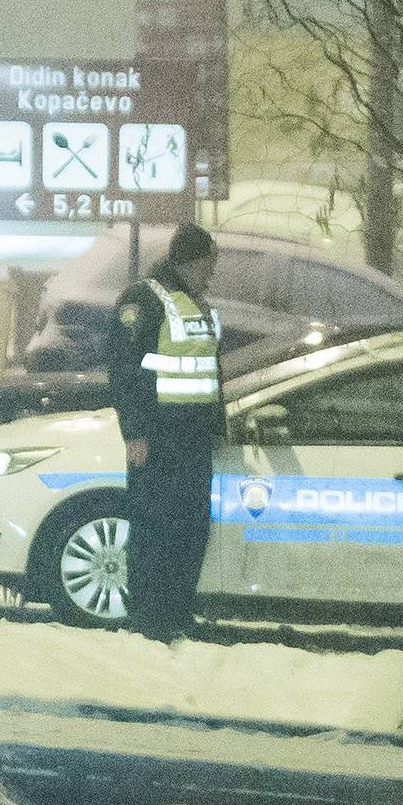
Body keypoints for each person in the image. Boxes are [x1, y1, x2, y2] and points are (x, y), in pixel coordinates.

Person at [107, 222, 222, 641]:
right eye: (209, 264)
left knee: (190, 529)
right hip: (157, 438)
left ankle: (176, 612)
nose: (213, 273)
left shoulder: (195, 302)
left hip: (193, 438)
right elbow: (123, 369)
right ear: (190, 262)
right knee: (155, 527)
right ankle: (150, 617)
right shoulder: (144, 300)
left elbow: (209, 369)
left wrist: (218, 424)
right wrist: (135, 432)